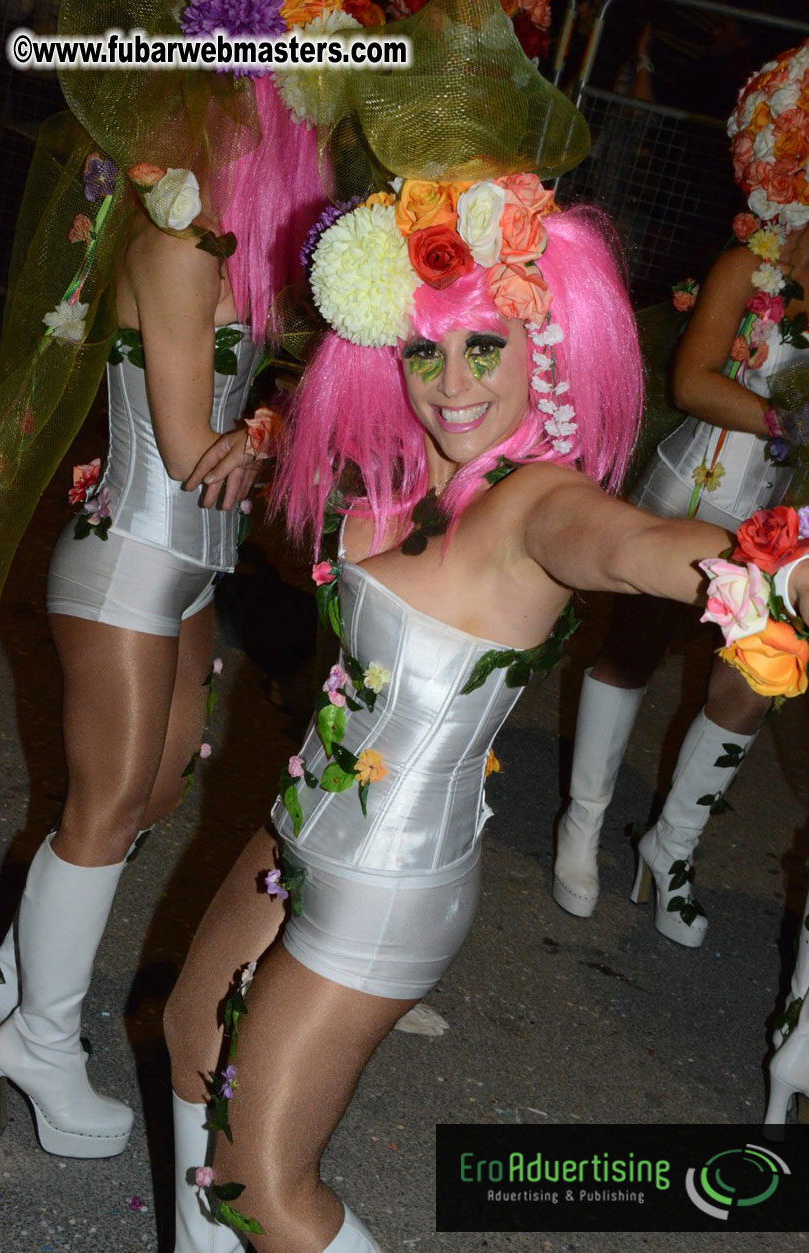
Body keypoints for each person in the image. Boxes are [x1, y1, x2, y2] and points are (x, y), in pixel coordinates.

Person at [163, 153, 809, 1248]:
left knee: (262, 1184)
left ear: (543, 351)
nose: (450, 382)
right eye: (423, 349)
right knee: (188, 1030)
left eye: (483, 347)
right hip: (299, 828)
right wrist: (268, 428)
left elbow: (648, 545)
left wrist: (769, 574)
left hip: (388, 882)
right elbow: (308, 458)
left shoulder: (540, 502)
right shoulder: (405, 467)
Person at [0, 0, 329, 1161]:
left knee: (155, 794)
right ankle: (39, 1040)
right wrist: (276, 437)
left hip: (185, 571)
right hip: (129, 557)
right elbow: (190, 455)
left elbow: (262, 408)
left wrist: (276, 417)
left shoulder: (224, 244)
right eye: (299, 120)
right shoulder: (176, 247)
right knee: (101, 810)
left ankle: (9, 970)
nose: (317, 145)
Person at [552, 37, 809, 946]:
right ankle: (582, 824)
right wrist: (789, 421)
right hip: (695, 496)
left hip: (786, 526)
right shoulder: (750, 269)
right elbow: (694, 380)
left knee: (753, 681)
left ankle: (673, 847)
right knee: (632, 650)